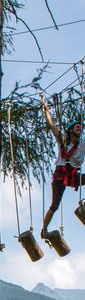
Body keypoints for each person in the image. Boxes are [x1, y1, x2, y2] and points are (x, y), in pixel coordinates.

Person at [41, 99, 85, 239]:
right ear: (71, 130)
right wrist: (46, 111)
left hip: (72, 177)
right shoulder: (64, 140)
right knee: (54, 205)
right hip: (61, 176)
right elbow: (52, 125)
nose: (79, 129)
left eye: (80, 128)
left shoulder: (82, 144)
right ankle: (44, 230)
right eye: (77, 127)